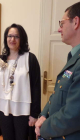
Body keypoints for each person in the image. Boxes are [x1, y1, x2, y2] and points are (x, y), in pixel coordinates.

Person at [35, 2, 80, 140]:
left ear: (76, 22)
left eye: (62, 24)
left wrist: (43, 127)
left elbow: (73, 114)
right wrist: (43, 114)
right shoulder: (73, 57)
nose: (59, 29)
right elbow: (57, 94)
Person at [0, 23, 41, 140]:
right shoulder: (0, 59)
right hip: (3, 109)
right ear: (5, 38)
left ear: (22, 39)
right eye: (9, 36)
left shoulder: (30, 58)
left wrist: (34, 114)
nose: (12, 39)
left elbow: (36, 87)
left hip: (22, 110)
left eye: (16, 36)